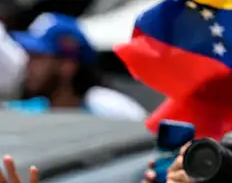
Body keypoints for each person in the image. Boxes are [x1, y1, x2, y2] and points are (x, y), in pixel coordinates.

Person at [8, 12, 147, 120]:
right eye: (29, 56)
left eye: (38, 58)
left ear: (67, 66)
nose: (28, 65)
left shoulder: (107, 107)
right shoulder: (30, 111)